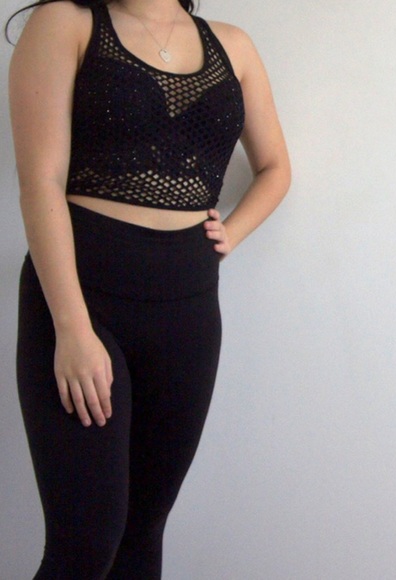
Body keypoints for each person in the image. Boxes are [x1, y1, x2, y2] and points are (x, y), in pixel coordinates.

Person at [7, 0, 291, 576]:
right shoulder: (67, 22)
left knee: (142, 534)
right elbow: (40, 182)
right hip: (82, 299)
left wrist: (231, 233)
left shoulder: (233, 45)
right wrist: (71, 328)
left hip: (187, 307)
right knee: (85, 544)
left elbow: (276, 167)